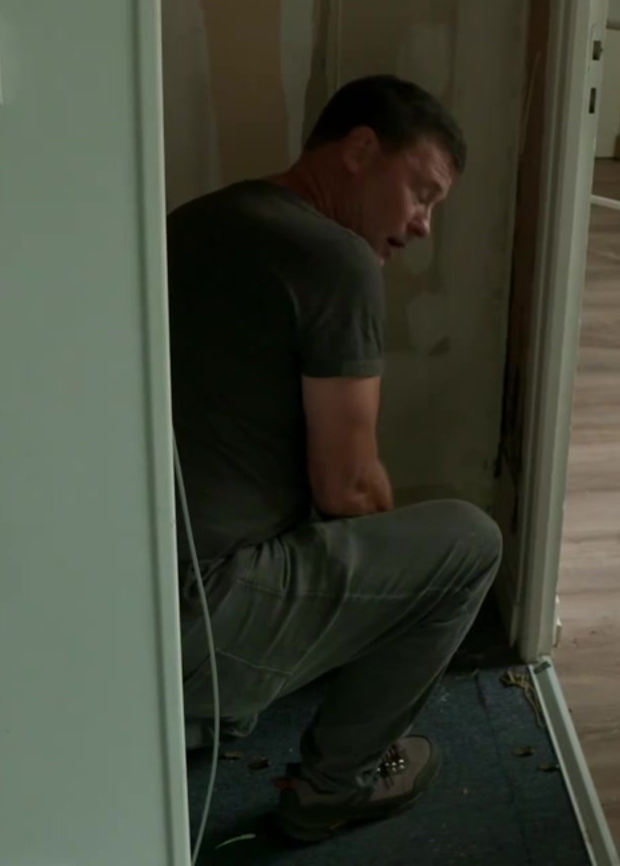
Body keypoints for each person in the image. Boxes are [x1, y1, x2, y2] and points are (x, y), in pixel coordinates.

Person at [167, 74, 503, 843]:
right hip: (201, 615)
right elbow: (348, 489)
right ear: (359, 150)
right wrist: (394, 600)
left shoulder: (197, 219)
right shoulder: (334, 259)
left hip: (116, 603)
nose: (423, 226)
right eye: (421, 193)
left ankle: (211, 710)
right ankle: (335, 785)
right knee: (467, 545)